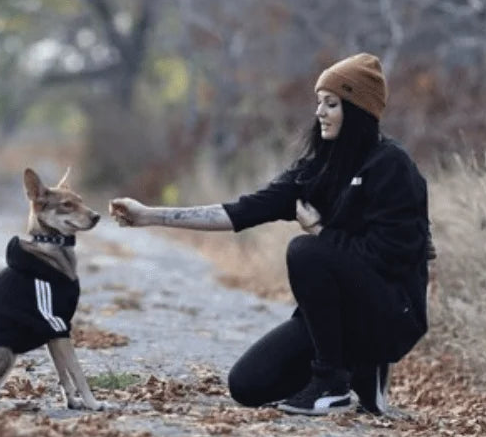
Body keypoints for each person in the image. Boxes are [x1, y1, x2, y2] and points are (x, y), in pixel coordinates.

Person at [109, 52, 434, 416]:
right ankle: (355, 370)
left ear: (358, 110)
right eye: (318, 103)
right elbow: (238, 212)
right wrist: (149, 216)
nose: (320, 113)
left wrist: (321, 232)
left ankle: (333, 383)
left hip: (391, 313)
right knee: (248, 385)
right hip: (338, 315)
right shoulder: (317, 170)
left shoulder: (391, 166)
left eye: (332, 104)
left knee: (305, 250)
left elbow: (393, 257)